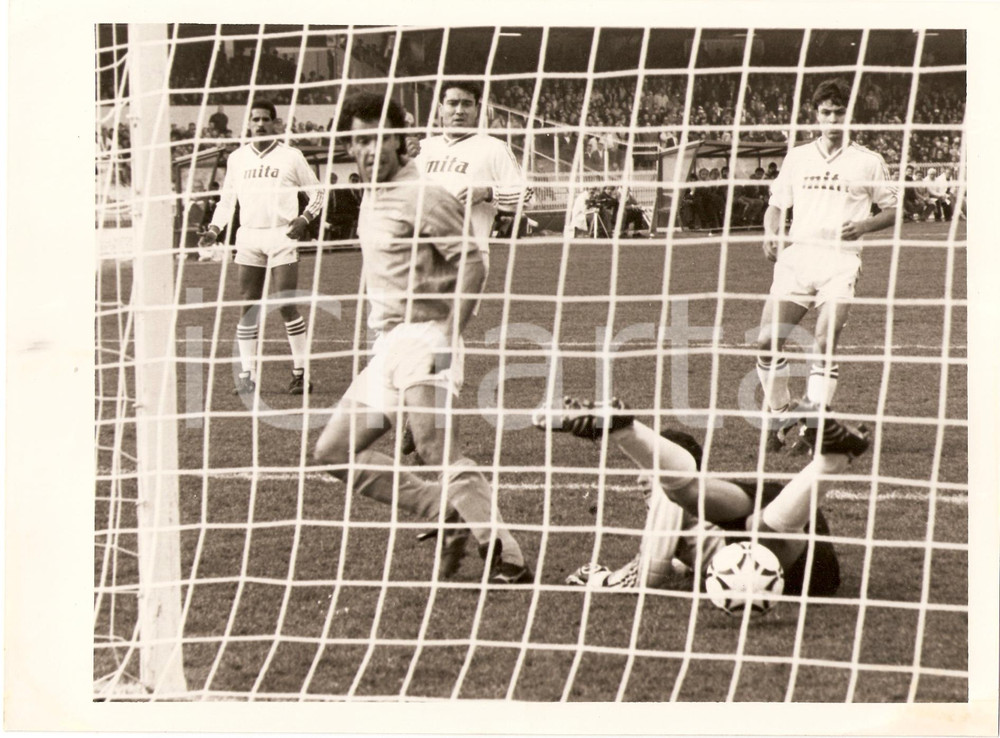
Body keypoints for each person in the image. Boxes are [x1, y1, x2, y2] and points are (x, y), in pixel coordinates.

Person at [313, 92, 533, 585]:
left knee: (435, 446)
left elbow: (472, 261)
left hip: (425, 336)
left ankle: (505, 551)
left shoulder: (423, 194)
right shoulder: (373, 192)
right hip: (388, 344)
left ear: (402, 140)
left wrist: (447, 335)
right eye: (358, 141)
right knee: (332, 452)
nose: (369, 151)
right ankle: (440, 509)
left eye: (379, 139)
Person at [535, 397, 868, 594]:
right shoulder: (705, 499)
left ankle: (832, 459)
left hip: (798, 571)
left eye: (646, 469)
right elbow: (687, 554)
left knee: (742, 521)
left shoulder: (669, 498)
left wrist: (599, 579)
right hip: (778, 510)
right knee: (740, 515)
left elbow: (650, 573)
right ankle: (625, 429)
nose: (639, 479)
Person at [755, 79, 898, 452]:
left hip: (840, 261)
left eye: (839, 112)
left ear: (850, 116)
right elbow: (775, 203)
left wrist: (864, 225)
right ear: (815, 115)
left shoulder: (868, 161)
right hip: (798, 257)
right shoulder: (797, 157)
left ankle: (814, 428)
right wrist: (771, 232)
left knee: (823, 341)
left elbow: (894, 210)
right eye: (826, 112)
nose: (832, 118)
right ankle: (781, 413)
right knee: (768, 342)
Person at [401, 80, 534, 456]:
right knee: (418, 334)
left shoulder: (492, 148)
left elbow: (526, 193)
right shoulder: (422, 149)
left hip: (468, 257)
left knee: (446, 331)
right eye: (451, 103)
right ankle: (422, 412)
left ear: (479, 109)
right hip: (419, 256)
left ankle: (426, 417)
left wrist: (486, 192)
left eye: (466, 104)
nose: (458, 111)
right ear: (439, 108)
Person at [199, 100, 324, 396]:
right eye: (255, 119)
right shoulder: (237, 158)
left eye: (265, 119)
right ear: (249, 123)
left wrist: (305, 218)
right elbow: (227, 201)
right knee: (248, 305)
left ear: (275, 123)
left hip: (283, 236)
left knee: (285, 302)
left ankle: (300, 373)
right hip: (249, 237)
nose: (259, 124)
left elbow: (318, 191)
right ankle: (247, 375)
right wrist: (215, 229)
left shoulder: (291, 156)